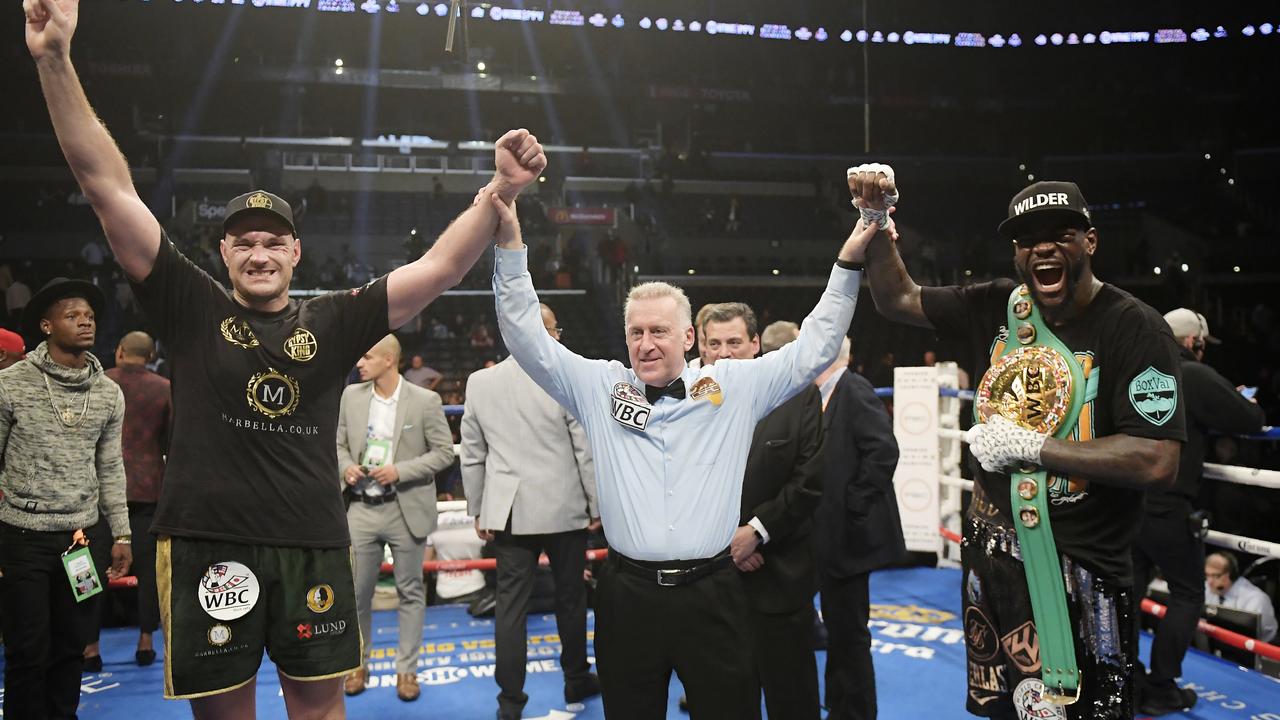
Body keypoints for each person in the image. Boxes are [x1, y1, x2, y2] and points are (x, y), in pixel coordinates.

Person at [25, 1, 546, 712]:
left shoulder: (334, 318)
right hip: (209, 547)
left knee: (321, 710)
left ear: (297, 252)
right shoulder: (189, 302)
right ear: (223, 252)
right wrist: (54, 57)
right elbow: (105, 187)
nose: (260, 252)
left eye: (275, 241)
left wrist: (500, 193)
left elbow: (439, 268)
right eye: (245, 241)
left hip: (313, 544)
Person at [486, 182, 878, 717]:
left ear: (689, 338)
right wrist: (510, 239)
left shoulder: (734, 387)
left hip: (713, 594)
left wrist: (850, 257)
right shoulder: (600, 388)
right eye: (635, 333)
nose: (646, 344)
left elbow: (816, 347)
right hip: (627, 597)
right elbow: (525, 335)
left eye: (659, 332)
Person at [850, 165, 1185, 719]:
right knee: (1006, 711)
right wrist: (876, 218)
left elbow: (1158, 459)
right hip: (992, 554)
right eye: (1028, 240)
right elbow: (897, 299)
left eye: (1061, 235)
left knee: (1085, 711)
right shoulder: (998, 305)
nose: (1043, 250)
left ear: (1090, 241)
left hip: (1081, 564)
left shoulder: (1135, 327)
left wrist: (1035, 448)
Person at [0, 277, 132, 718]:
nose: (84, 323)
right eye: (72, 316)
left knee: (71, 647)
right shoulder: (12, 383)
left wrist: (123, 535)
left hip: (82, 542)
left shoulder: (109, 392)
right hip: (22, 537)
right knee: (27, 650)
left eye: (90, 317)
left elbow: (111, 467)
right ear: (46, 325)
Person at [461, 303, 600, 719]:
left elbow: (472, 453)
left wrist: (479, 508)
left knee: (510, 607)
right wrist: (597, 504)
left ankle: (510, 703)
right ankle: (576, 678)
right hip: (565, 506)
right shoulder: (565, 380)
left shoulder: (481, 382)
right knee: (572, 601)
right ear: (551, 333)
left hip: (508, 510)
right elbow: (584, 450)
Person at [1131, 308, 1266, 715]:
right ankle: (1161, 687)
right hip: (1167, 504)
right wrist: (1242, 399)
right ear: (1194, 343)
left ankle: (1125, 676)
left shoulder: (1135, 369)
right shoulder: (1191, 374)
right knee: (1189, 593)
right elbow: (1251, 418)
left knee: (1128, 590)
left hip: (1125, 500)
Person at [699, 311, 825, 717]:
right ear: (701, 348)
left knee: (793, 701)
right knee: (725, 704)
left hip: (782, 578)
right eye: (714, 344)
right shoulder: (687, 400)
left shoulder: (797, 394)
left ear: (755, 345)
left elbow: (809, 481)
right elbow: (679, 483)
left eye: (734, 342)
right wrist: (725, 540)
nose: (724, 353)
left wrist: (755, 532)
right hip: (714, 584)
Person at [338, 334, 455, 701]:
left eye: (367, 356)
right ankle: (357, 664)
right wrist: (346, 469)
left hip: (405, 508)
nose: (360, 362)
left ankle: (407, 671)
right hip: (360, 508)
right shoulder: (350, 397)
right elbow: (338, 444)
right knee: (356, 594)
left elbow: (444, 453)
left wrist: (400, 471)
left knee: (410, 593)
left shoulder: (425, 400)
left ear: (390, 360)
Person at [812, 336, 905, 720]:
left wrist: (853, 501)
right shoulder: (822, 395)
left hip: (849, 538)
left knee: (849, 632)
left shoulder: (854, 389)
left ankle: (857, 712)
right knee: (838, 628)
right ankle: (839, 704)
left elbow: (884, 450)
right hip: (830, 538)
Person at [101, 331, 171, 668]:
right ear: (151, 354)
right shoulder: (164, 388)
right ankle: (145, 641)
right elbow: (171, 443)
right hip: (146, 490)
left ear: (120, 351)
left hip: (98, 491)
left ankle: (88, 646)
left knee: (88, 570)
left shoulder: (99, 383)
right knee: (148, 571)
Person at [1204, 552, 1277, 642]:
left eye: (1216, 576)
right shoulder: (1206, 587)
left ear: (1231, 574)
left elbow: (1262, 637)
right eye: (1207, 575)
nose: (1209, 581)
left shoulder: (1256, 599)